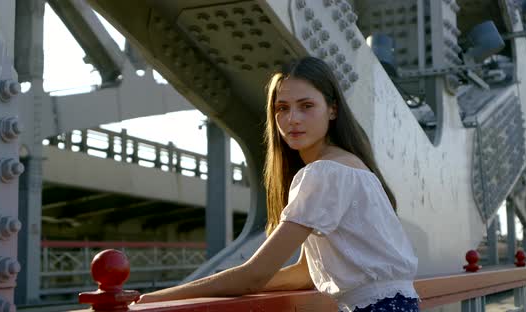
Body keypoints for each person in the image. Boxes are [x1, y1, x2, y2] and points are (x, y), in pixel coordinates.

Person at [136, 56, 419, 312]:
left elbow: (253, 276)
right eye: (282, 108)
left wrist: (157, 297)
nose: (292, 119)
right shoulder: (351, 166)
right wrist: (247, 279)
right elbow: (305, 274)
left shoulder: (324, 173)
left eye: (306, 106)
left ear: (332, 110)